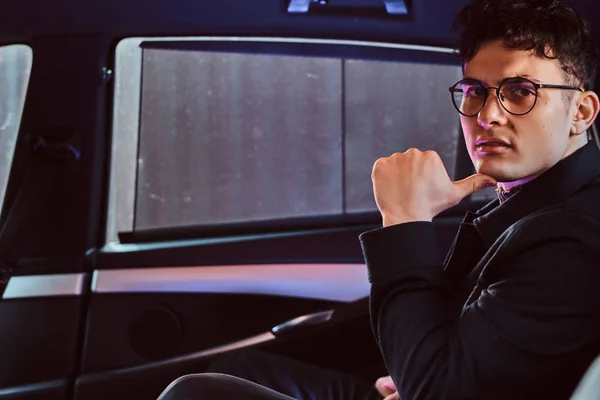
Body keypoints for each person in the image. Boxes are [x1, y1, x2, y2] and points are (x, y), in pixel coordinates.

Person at [158, 0, 600, 398]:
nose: (486, 115)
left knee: (194, 396)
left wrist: (406, 219)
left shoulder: (574, 236)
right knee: (239, 369)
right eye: (475, 92)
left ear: (580, 113)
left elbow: (440, 392)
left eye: (520, 91)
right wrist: (409, 375)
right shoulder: (533, 206)